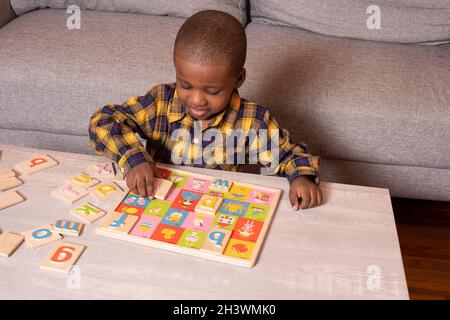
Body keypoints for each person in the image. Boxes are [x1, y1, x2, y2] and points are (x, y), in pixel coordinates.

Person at [89, 10, 322, 210]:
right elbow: (104, 120)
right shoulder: (159, 102)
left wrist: (302, 177)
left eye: (212, 91)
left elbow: (290, 154)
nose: (197, 100)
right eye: (185, 85)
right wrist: (133, 159)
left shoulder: (253, 120)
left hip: (216, 209)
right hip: (157, 204)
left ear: (238, 79)